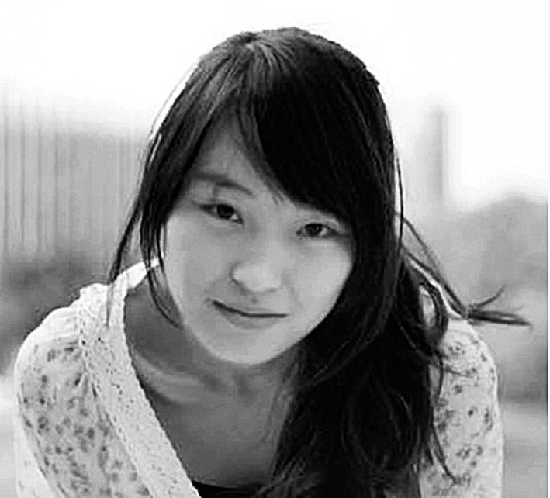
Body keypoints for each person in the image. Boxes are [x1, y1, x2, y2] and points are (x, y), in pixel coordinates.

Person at [13, 27, 525, 498]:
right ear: (162, 194)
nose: (257, 276)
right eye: (225, 211)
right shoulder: (69, 381)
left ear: (365, 245)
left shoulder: (436, 373)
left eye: (315, 229)